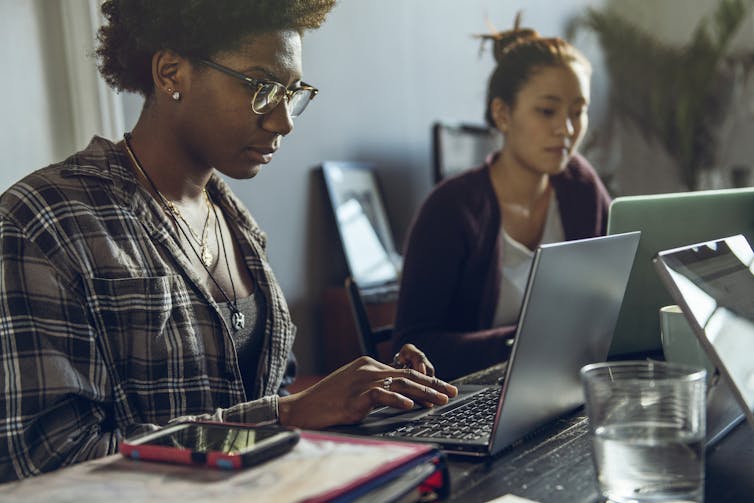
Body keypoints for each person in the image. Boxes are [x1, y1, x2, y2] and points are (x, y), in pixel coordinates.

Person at [0, 0, 457, 482]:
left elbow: (268, 401)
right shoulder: (46, 220)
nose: (284, 121)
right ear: (171, 73)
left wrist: (365, 395)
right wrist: (286, 414)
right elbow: (47, 461)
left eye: (292, 92)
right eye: (262, 88)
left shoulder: (237, 225)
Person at [392, 16, 611, 380]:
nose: (567, 129)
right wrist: (524, 342)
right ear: (502, 114)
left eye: (578, 112)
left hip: (563, 386)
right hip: (466, 397)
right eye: (547, 111)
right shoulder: (451, 209)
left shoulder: (582, 188)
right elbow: (413, 346)